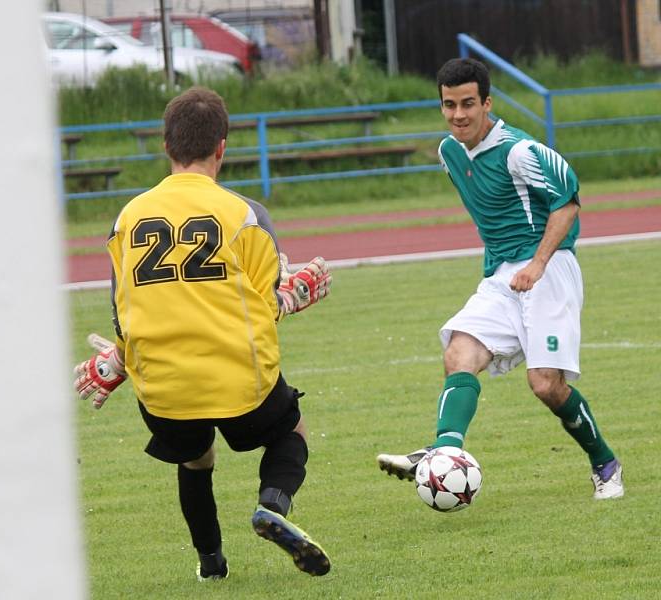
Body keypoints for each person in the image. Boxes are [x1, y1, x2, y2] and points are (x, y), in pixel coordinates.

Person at [73, 87, 333, 581]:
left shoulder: (126, 220)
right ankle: (272, 503)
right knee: (289, 429)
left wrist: (115, 363)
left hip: (165, 389)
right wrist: (296, 293)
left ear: (166, 148)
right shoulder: (245, 214)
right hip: (242, 380)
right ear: (222, 149)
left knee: (195, 458)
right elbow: (267, 304)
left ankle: (211, 564)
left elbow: (122, 312)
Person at [376, 57, 624, 501]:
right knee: (459, 353)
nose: (458, 115)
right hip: (503, 277)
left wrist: (538, 263)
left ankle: (605, 463)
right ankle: (444, 452)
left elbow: (567, 204)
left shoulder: (520, 151)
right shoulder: (448, 152)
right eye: (449, 105)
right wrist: (502, 267)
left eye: (468, 104)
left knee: (546, 384)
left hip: (548, 269)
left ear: (487, 102)